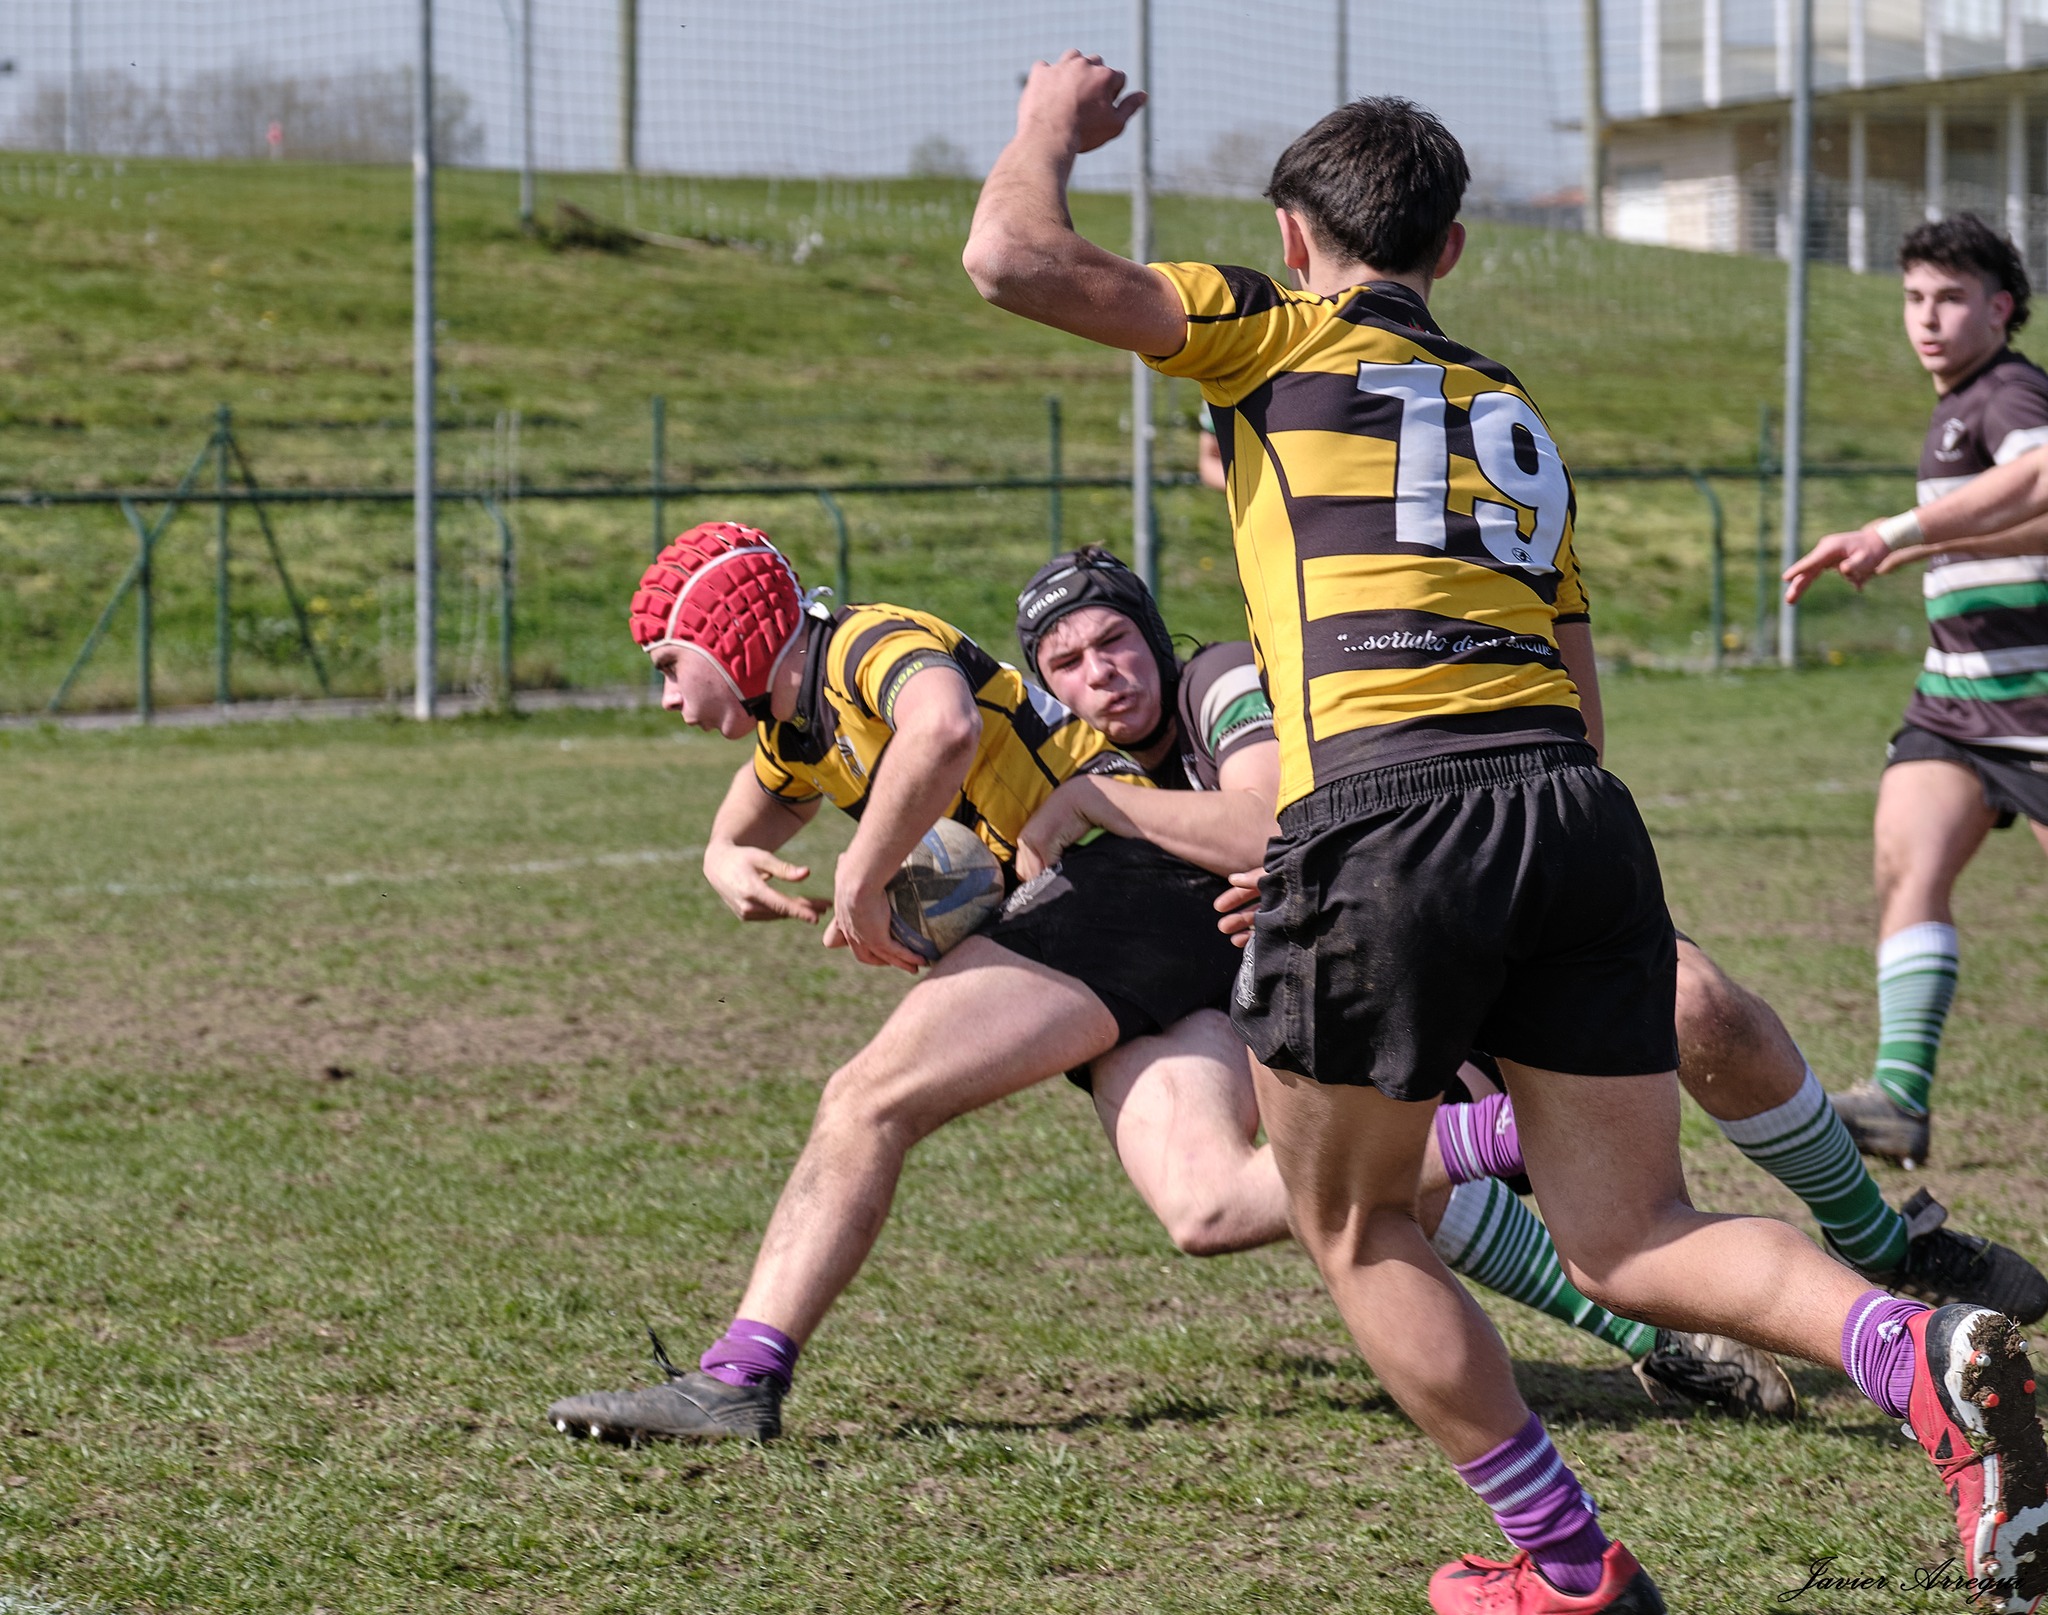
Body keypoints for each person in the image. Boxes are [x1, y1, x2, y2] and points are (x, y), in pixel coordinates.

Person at [965, 61, 2048, 1614]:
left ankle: (1569, 1564)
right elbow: (1581, 707)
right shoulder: (1516, 417)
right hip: (1570, 811)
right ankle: (1916, 1346)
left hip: (1386, 816)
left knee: (1348, 1209)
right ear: (1453, 252)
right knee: (1634, 1228)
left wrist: (1050, 131)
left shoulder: (1270, 325)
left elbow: (1010, 258)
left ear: (1289, 230)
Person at [1014, 546, 1801, 1416]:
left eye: (1115, 640)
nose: (1103, 673)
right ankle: (1665, 1341)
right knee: (1373, 1182)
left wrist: (1101, 807)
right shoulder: (1097, 769)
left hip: (1467, 905)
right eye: (1068, 664)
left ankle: (1877, 1245)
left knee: (1699, 1017)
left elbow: (1262, 817)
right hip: (1396, 963)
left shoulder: (1220, 680)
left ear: (1154, 633)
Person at [545, 521, 1261, 1444]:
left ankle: (737, 1377)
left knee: (866, 1098)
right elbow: (764, 796)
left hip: (1123, 870)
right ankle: (1481, 1137)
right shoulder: (798, 726)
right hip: (1144, 913)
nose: (668, 696)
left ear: (732, 637)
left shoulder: (865, 642)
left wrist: (863, 870)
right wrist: (723, 852)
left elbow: (944, 724)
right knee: (1207, 1198)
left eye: (672, 664)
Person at [1784, 214, 2048, 1171]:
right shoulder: (1957, 405)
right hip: (1957, 701)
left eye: (1950, 298)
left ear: (2001, 308)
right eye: (1913, 298)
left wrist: (1894, 534)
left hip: (2038, 701)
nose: (1927, 318)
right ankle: (1898, 1096)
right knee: (1907, 866)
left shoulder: (2010, 391)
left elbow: (2043, 473)